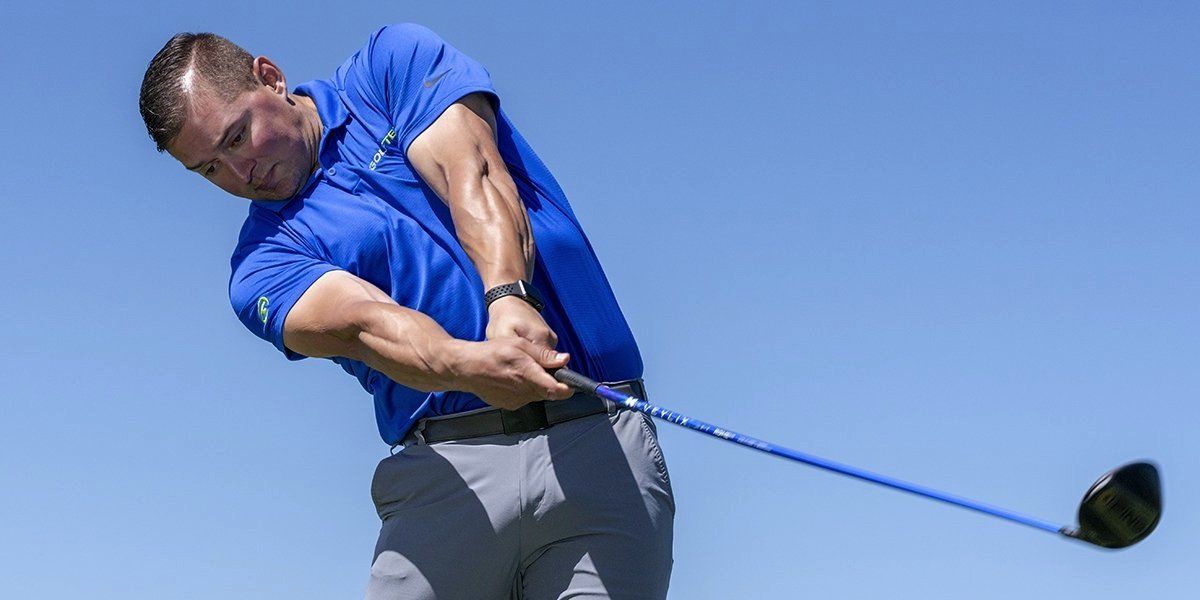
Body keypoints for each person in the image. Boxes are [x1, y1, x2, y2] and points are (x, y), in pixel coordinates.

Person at [138, 23, 674, 599]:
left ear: (270, 77)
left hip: (598, 444)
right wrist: (469, 364)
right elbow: (370, 326)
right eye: (210, 169)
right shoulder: (259, 267)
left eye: (238, 137)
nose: (240, 174)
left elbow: (473, 172)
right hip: (445, 479)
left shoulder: (390, 68)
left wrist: (509, 297)